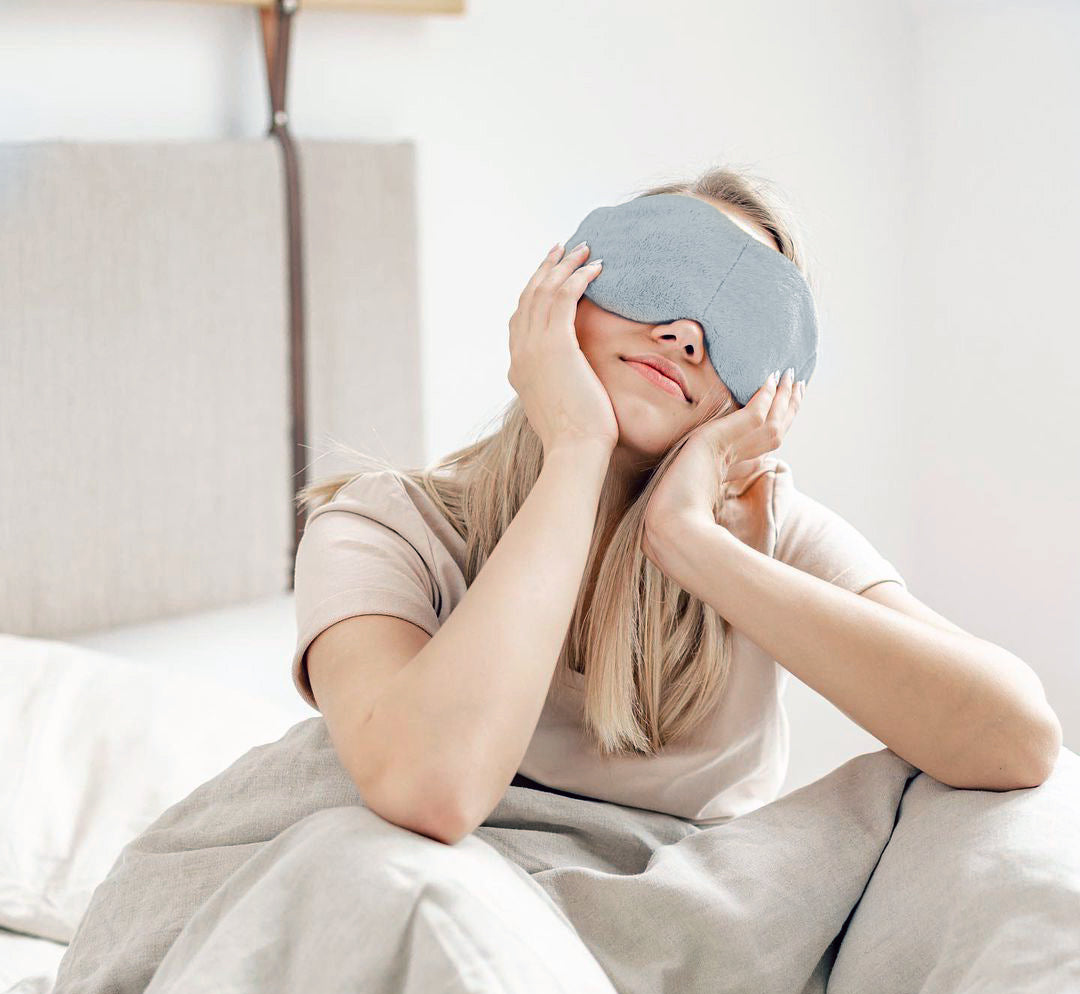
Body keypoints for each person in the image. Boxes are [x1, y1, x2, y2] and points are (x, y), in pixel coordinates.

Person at [291, 165, 1061, 848]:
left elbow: (1019, 741)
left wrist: (693, 541)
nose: (687, 333)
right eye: (665, 272)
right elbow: (431, 789)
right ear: (560, 291)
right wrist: (575, 447)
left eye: (742, 323)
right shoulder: (381, 528)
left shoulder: (768, 530)